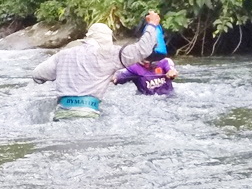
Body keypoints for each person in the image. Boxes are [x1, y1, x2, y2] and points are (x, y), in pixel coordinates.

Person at [32, 12, 161, 119]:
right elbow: (143, 50)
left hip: (61, 113)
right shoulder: (109, 54)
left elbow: (37, 75)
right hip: (90, 114)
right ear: (107, 39)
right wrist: (152, 25)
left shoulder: (63, 54)